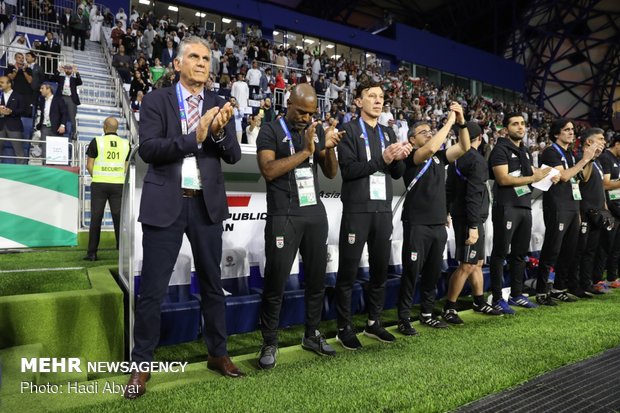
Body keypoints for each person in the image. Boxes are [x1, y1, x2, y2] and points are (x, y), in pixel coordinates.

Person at [126, 36, 244, 400]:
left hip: (206, 205)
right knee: (153, 291)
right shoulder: (156, 100)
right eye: (193, 57)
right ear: (177, 64)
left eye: (207, 59)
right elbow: (148, 149)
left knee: (212, 284)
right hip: (166, 203)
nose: (201, 63)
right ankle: (141, 365)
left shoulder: (219, 102)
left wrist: (220, 131)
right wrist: (195, 135)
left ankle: (217, 353)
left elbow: (234, 157)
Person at [255, 83, 342, 369]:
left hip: (314, 214)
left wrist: (328, 148)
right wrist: (306, 151)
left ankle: (312, 334)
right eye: (302, 112)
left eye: (311, 114)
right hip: (284, 214)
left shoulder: (313, 131)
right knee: (276, 281)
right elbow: (268, 171)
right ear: (288, 103)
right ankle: (269, 341)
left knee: (316, 279)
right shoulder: (270, 130)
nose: (307, 118)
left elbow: (330, 172)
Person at [334, 79, 412, 350]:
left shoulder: (388, 133)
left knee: (379, 271)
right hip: (357, 210)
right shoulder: (348, 131)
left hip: (382, 210)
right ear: (358, 101)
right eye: (371, 96)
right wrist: (384, 159)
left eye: (381, 97)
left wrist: (401, 158)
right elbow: (350, 171)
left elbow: (397, 174)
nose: (378, 101)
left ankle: (373, 322)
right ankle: (343, 327)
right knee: (348, 271)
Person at [397, 103, 470, 333]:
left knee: (432, 271)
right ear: (411, 139)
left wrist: (461, 122)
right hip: (417, 223)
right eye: (424, 132)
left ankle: (427, 313)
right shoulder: (411, 158)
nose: (429, 134)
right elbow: (428, 150)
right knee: (411, 272)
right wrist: (447, 122)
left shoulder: (440, 157)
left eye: (431, 131)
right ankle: (404, 317)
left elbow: (465, 146)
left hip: (438, 224)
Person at [488, 113, 551, 314]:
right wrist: (533, 176)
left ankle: (516, 294)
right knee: (499, 254)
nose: (521, 127)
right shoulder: (500, 149)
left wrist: (546, 176)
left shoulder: (523, 151)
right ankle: (497, 298)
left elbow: (529, 176)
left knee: (520, 254)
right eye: (515, 124)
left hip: (524, 206)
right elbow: (503, 179)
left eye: (523, 124)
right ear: (506, 129)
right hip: (506, 206)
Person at [443, 122, 502, 324]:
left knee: (477, 262)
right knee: (467, 264)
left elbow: (449, 189)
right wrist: (474, 226)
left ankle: (478, 301)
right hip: (471, 219)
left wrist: (447, 211)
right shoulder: (476, 160)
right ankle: (450, 308)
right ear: (479, 138)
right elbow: (473, 195)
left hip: (467, 216)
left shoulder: (455, 158)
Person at [534, 119, 598, 305]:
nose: (571, 132)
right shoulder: (550, 152)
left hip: (571, 206)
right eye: (566, 130)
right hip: (557, 205)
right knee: (552, 249)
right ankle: (541, 291)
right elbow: (563, 176)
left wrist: (591, 159)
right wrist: (584, 159)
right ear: (556, 133)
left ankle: (558, 288)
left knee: (569, 250)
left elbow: (582, 178)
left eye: (572, 130)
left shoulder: (570, 153)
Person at [568, 128, 613, 297]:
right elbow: (580, 183)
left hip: (598, 213)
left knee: (590, 251)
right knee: (580, 250)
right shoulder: (582, 159)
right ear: (589, 142)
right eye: (600, 139)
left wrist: (605, 207)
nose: (603, 142)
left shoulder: (598, 161)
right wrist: (589, 158)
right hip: (585, 212)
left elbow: (599, 187)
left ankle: (586, 283)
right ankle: (574, 284)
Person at [84, 117, 130, 261]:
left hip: (99, 184)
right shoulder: (125, 144)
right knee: (118, 218)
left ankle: (92, 253)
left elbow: (89, 165)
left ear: (105, 127)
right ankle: (121, 252)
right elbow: (126, 166)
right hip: (118, 184)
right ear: (116, 128)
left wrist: (97, 175)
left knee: (96, 218)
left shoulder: (97, 141)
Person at [594, 133, 620, 289]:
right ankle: (597, 279)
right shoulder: (606, 158)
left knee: (616, 246)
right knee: (605, 246)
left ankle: (612, 277)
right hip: (609, 209)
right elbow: (606, 184)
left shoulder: (617, 160)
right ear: (617, 144)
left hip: (618, 207)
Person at [34, 83, 67, 161]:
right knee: (44, 149)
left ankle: (55, 168)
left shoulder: (59, 99)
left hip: (56, 127)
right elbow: (43, 114)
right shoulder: (42, 100)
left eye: (42, 88)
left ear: (48, 89)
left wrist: (62, 125)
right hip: (44, 127)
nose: (40, 90)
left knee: (55, 149)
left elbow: (64, 113)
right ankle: (45, 166)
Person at [0, 76, 26, 164]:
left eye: (2, 82)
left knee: (19, 152)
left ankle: (21, 172)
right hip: (1, 126)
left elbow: (23, 110)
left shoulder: (18, 96)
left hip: (14, 126)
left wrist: (11, 111)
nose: (0, 84)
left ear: (9, 84)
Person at [52, 65, 82, 141]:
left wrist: (77, 73)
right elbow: (53, 78)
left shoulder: (74, 79)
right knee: (58, 114)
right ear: (64, 70)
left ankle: (74, 133)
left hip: (71, 98)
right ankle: (57, 130)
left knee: (72, 117)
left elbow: (80, 82)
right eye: (67, 68)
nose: (68, 70)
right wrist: (59, 71)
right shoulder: (61, 78)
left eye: (70, 68)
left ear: (72, 70)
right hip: (61, 97)